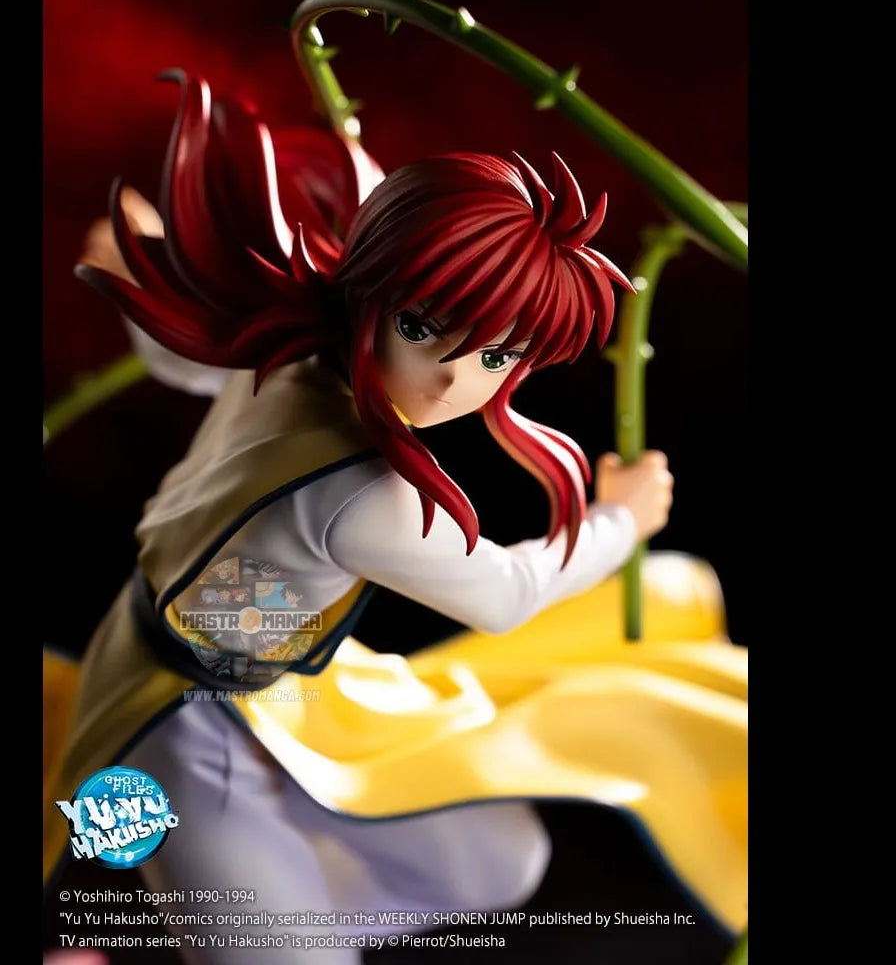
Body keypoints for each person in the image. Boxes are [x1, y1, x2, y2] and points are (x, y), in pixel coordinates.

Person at [43, 72, 742, 965]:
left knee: (496, 860)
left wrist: (136, 265)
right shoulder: (363, 490)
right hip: (177, 724)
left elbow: (185, 359)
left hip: (286, 691)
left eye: (498, 357)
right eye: (423, 326)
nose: (452, 379)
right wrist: (618, 520)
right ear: (369, 285)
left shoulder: (288, 340)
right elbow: (505, 594)